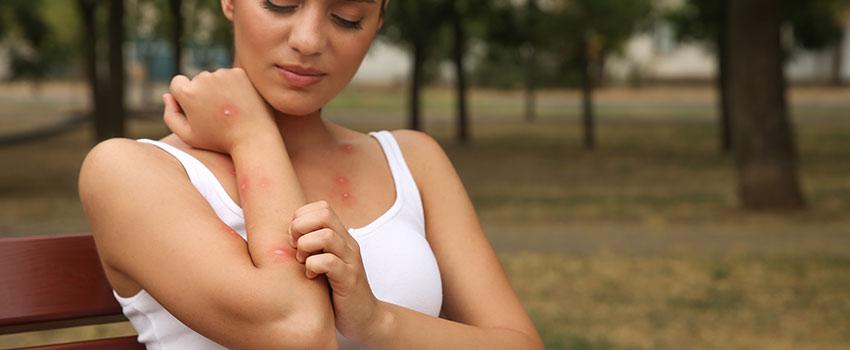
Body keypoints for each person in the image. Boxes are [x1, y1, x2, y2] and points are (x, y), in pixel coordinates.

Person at [78, 0, 543, 348]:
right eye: (280, 3)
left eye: (346, 17)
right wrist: (252, 135)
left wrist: (377, 322)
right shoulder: (130, 171)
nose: (308, 40)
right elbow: (299, 332)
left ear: (378, 21)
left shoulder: (413, 160)